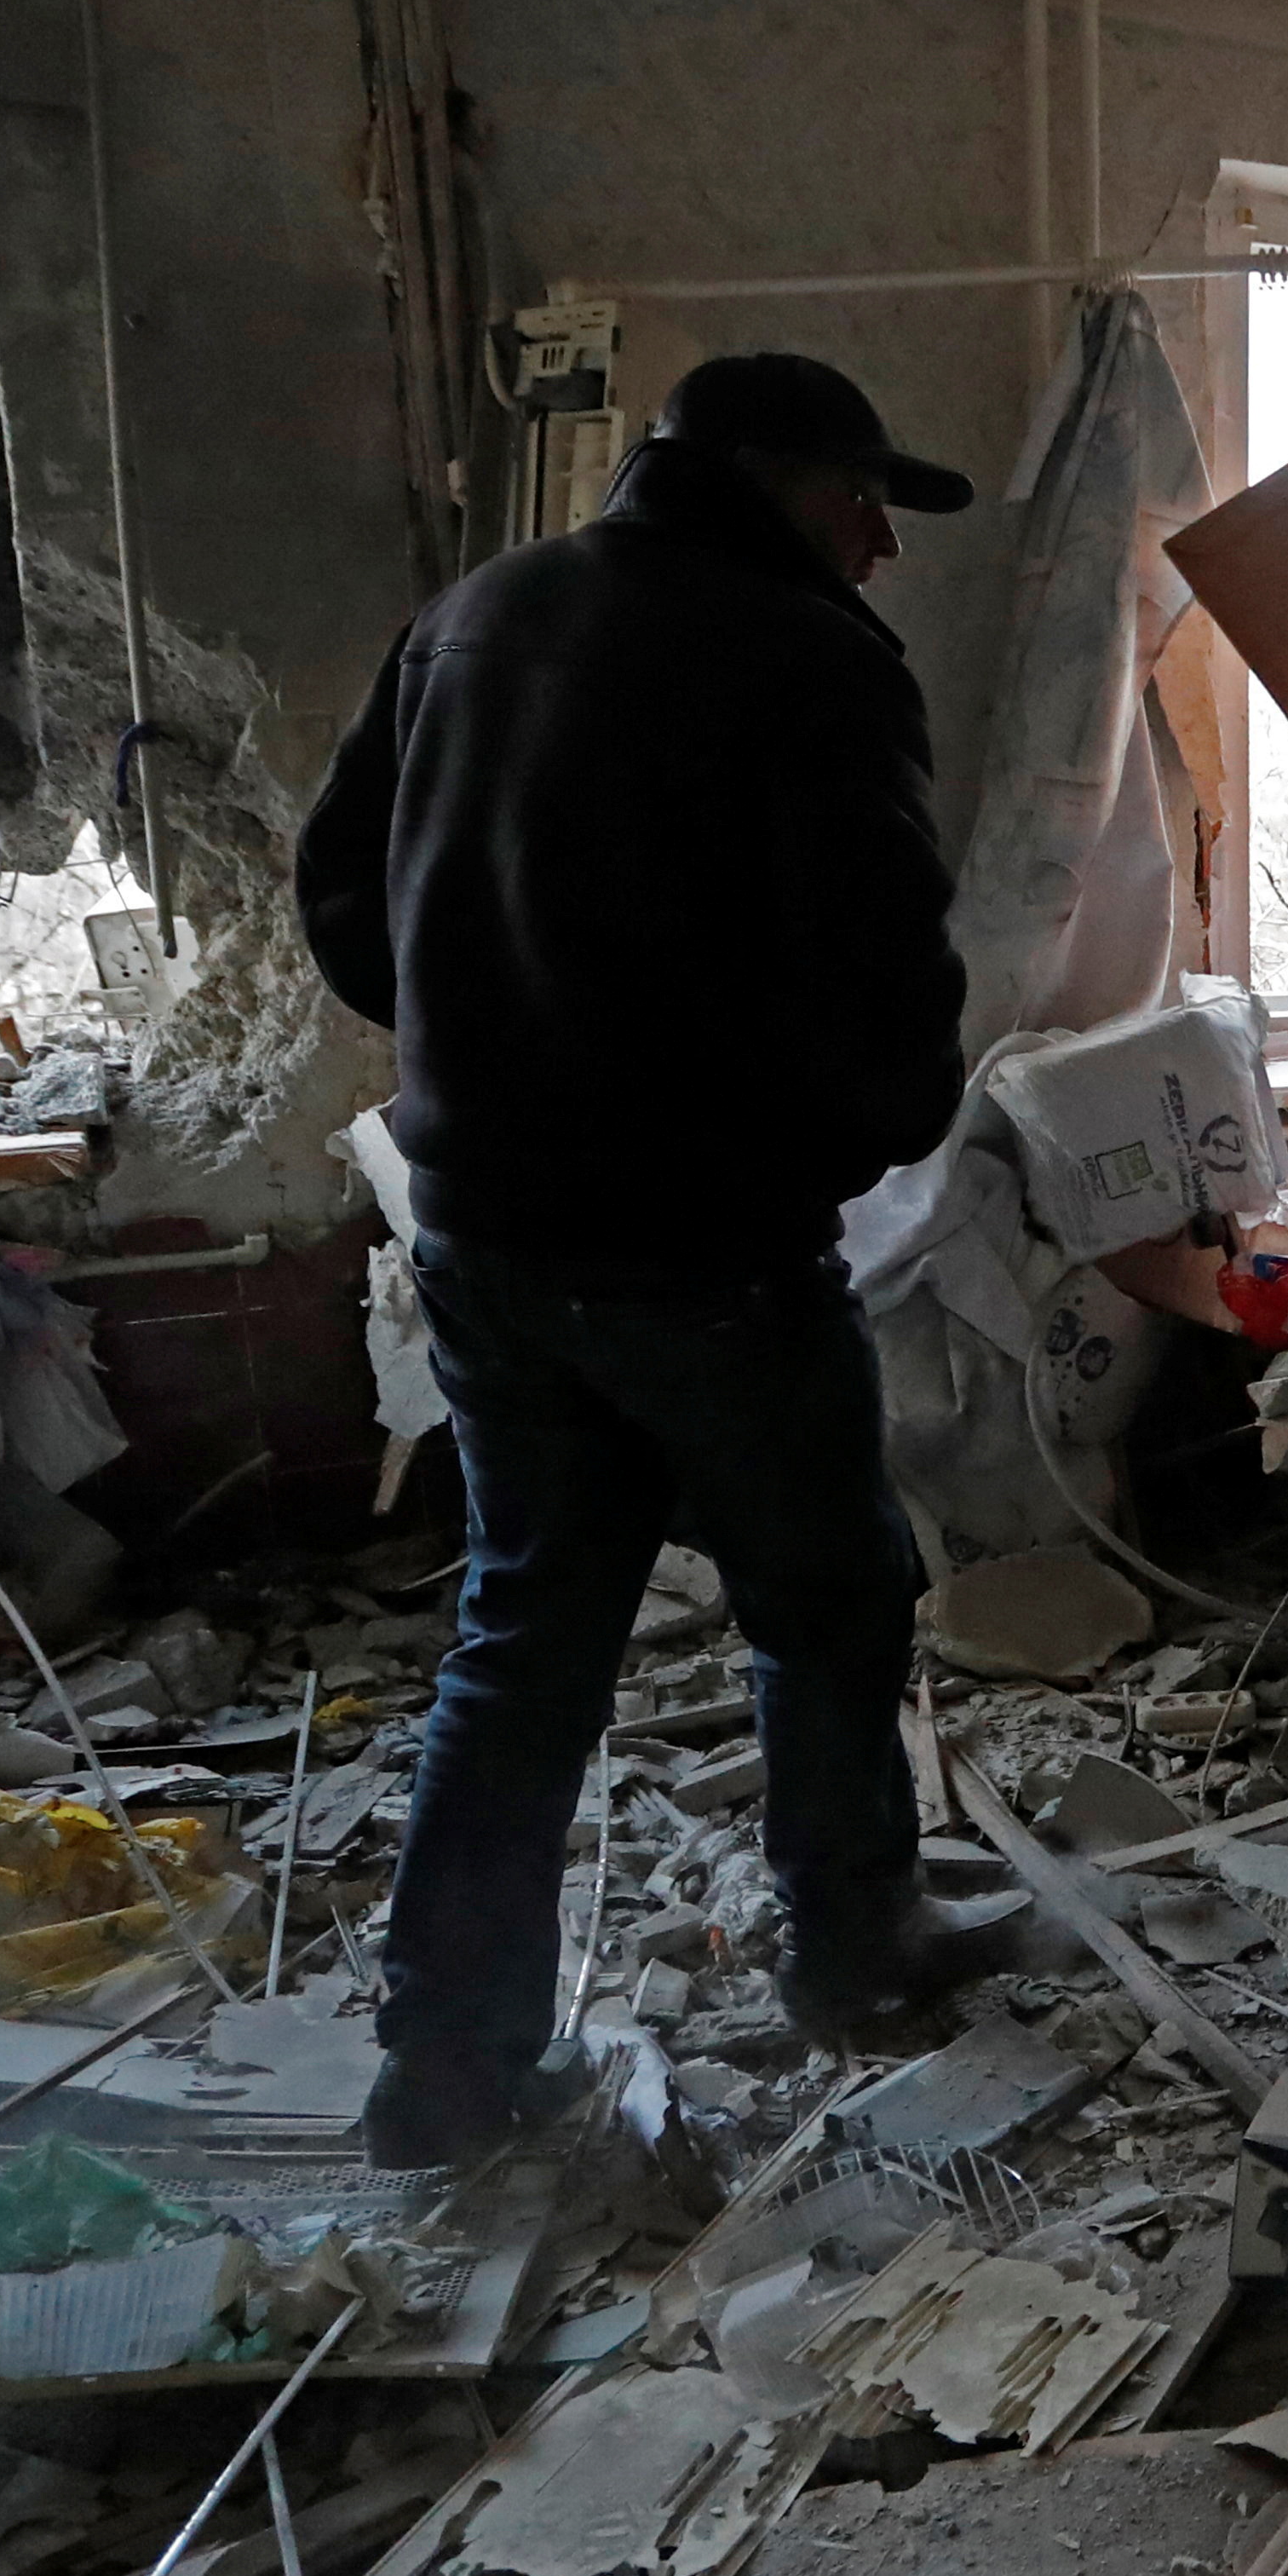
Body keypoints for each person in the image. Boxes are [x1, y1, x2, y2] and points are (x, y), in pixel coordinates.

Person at [297, 354, 997, 2168]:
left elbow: (343, 902)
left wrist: (484, 1043)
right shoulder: (807, 660)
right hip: (705, 1245)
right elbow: (882, 968)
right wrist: (859, 1132)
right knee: (829, 1600)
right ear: (779, 481)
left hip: (485, 1233)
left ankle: (442, 2071)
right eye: (865, 506)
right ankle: (855, 1950)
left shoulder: (474, 615)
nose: (880, 551)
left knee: (523, 1640)